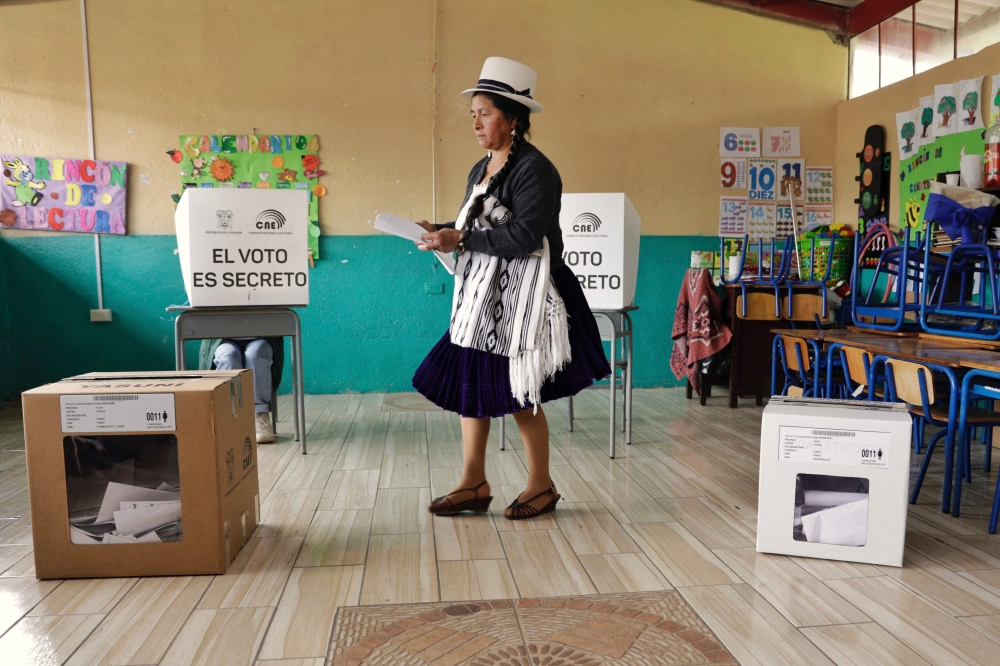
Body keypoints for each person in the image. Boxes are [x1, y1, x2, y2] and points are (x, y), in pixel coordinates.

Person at [413, 57, 611, 520]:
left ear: (513, 118)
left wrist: (459, 237)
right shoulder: (482, 168)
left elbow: (524, 236)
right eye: (473, 114)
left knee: (522, 387)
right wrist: (442, 229)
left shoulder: (535, 170)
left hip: (530, 296)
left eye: (485, 113)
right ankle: (473, 482)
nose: (476, 123)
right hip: (483, 295)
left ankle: (540, 484)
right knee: (471, 386)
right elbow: (472, 225)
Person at [198, 338, 282, 443]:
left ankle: (260, 414)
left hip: (260, 336)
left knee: (256, 354)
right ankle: (229, 418)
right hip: (222, 338)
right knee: (227, 356)